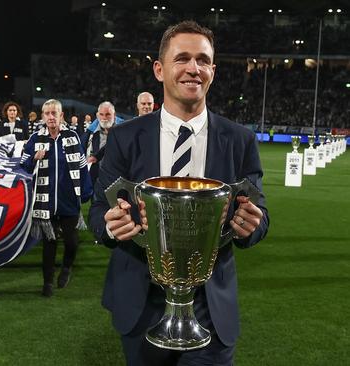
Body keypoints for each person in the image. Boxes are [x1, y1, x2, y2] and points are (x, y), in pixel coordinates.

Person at [88, 21, 269, 365]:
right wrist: (112, 226)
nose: (193, 68)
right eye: (182, 58)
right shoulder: (126, 138)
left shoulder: (239, 140)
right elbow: (97, 212)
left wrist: (252, 225)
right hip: (142, 304)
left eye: (203, 60)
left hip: (210, 310)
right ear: (159, 69)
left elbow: (258, 214)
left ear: (213, 71)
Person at [20, 99, 93, 297]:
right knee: (49, 243)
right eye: (47, 113)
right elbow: (22, 164)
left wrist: (86, 191)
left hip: (68, 199)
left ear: (61, 116)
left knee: (71, 242)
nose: (51, 117)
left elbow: (81, 165)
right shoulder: (36, 138)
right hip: (45, 200)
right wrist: (34, 157)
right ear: (43, 116)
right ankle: (48, 282)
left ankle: (67, 268)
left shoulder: (72, 136)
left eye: (55, 113)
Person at [85, 101, 116, 187]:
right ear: (97, 116)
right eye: (101, 114)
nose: (104, 118)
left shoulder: (123, 132)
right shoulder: (91, 134)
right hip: (97, 182)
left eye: (108, 114)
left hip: (117, 179)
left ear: (114, 115)